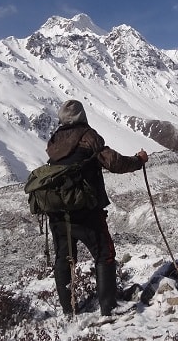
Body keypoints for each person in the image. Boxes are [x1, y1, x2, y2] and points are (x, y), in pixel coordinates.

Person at [46, 99, 148, 316]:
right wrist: (138, 160)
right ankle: (109, 307)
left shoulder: (54, 140)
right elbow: (113, 162)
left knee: (64, 259)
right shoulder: (87, 136)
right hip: (86, 210)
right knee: (104, 254)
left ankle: (69, 310)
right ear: (82, 116)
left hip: (57, 213)